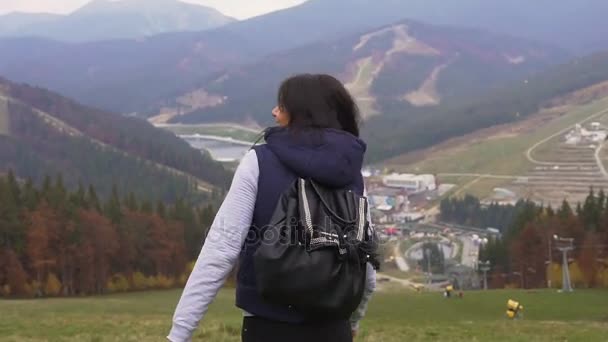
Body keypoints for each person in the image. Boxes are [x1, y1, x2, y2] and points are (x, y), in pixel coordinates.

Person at [167, 74, 377, 342]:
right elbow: (365, 266)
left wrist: (179, 333)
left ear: (302, 114)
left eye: (282, 106)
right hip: (334, 329)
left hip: (268, 327)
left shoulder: (259, 162)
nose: (274, 112)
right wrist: (354, 320)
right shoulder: (352, 174)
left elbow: (221, 249)